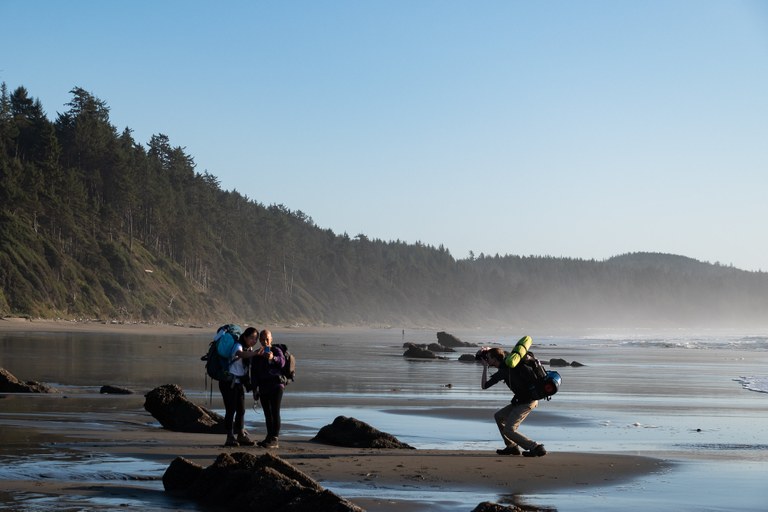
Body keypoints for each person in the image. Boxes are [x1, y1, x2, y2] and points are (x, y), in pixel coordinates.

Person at [477, 346, 547, 457]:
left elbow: (484, 385)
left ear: (495, 359)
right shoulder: (508, 362)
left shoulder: (504, 370)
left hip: (527, 402)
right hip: (522, 400)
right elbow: (502, 353)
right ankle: (511, 446)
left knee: (509, 430)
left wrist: (485, 367)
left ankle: (536, 447)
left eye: (489, 358)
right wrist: (489, 350)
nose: (487, 360)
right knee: (499, 416)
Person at [220, 327, 259, 447]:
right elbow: (239, 354)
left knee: (241, 410)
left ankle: (241, 434)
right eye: (252, 337)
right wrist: (255, 353)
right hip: (228, 383)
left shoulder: (248, 348)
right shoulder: (238, 345)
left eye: (256, 338)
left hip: (238, 383)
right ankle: (229, 437)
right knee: (230, 410)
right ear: (245, 337)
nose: (254, 340)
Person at [250, 329, 286, 448]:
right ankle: (269, 437)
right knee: (267, 414)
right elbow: (254, 373)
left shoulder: (276, 350)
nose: (265, 341)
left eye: (267, 339)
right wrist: (254, 389)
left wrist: (272, 358)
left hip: (276, 386)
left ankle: (274, 438)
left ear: (271, 339)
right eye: (263, 339)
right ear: (260, 340)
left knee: (275, 412)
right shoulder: (257, 355)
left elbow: (282, 363)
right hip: (263, 387)